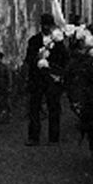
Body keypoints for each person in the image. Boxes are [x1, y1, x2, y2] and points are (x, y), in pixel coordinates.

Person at [24, 13, 69, 146]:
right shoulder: (34, 40)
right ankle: (33, 137)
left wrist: (54, 69)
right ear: (41, 26)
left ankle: (53, 137)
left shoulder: (58, 42)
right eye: (44, 25)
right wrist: (37, 60)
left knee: (54, 108)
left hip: (52, 79)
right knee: (34, 109)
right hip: (37, 79)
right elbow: (28, 58)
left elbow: (64, 59)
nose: (46, 27)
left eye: (48, 25)